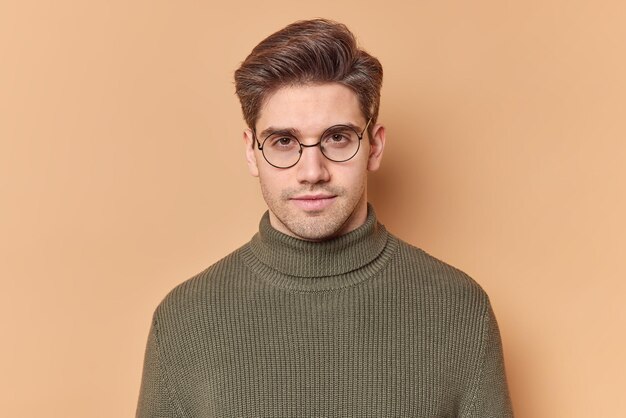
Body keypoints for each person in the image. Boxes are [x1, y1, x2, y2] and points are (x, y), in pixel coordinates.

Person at [136, 18, 513, 417]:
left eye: (337, 137)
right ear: (252, 151)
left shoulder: (458, 310)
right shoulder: (183, 321)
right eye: (284, 141)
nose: (312, 171)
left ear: (374, 146)